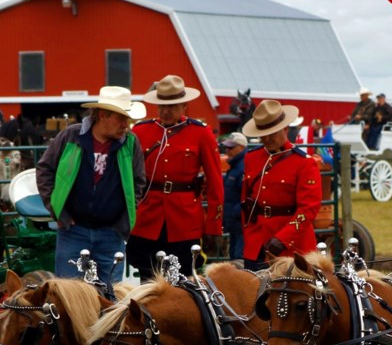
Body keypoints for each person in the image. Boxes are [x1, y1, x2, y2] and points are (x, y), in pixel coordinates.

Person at [36, 86, 146, 283]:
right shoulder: (71, 136)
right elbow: (45, 169)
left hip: (111, 234)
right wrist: (57, 210)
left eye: (127, 118)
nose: (126, 125)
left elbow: (139, 182)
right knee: (69, 296)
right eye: (121, 118)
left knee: (110, 297)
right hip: (72, 230)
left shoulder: (130, 142)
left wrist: (121, 220)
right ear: (103, 115)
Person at [127, 75, 224, 280]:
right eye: (161, 105)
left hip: (184, 218)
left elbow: (215, 181)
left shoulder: (201, 133)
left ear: (184, 105)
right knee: (147, 277)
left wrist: (214, 225)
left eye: (172, 106)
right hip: (147, 215)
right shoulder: (140, 131)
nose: (165, 111)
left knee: (183, 277)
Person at [241, 100, 321, 271]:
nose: (267, 139)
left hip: (291, 245)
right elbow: (246, 200)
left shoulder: (304, 163)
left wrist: (283, 238)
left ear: (285, 128)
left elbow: (308, 209)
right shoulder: (251, 158)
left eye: (273, 133)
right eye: (263, 134)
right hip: (256, 242)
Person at [222, 132, 248, 261]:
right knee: (235, 255)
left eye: (231, 148)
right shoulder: (236, 166)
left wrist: (234, 214)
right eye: (226, 147)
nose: (227, 151)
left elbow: (246, 194)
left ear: (241, 148)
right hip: (235, 220)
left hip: (240, 221)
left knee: (239, 257)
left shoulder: (242, 167)